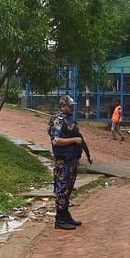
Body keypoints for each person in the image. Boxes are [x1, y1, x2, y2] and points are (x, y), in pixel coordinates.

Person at [48, 95, 85, 230]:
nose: (72, 108)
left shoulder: (68, 120)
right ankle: (60, 219)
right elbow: (56, 140)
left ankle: (65, 215)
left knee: (68, 189)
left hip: (72, 161)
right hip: (62, 162)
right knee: (62, 189)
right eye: (70, 106)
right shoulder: (57, 120)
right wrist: (74, 140)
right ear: (62, 106)